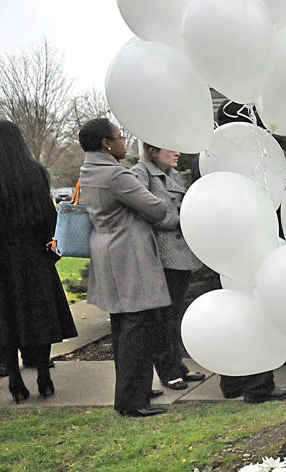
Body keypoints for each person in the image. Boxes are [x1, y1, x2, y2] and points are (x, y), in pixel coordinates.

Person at [198, 101, 286, 404]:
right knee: (255, 311)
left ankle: (232, 380)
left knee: (233, 309)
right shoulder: (251, 155)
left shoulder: (207, 152)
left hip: (221, 246)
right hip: (249, 243)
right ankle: (258, 385)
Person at [78, 118, 172, 417]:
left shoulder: (89, 170)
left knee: (123, 327)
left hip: (108, 251)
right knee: (136, 328)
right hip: (128, 255)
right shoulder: (116, 175)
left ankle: (133, 390)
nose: (122, 142)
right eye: (119, 137)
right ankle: (133, 400)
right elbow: (156, 209)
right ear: (106, 143)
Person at [0, 120, 77, 402]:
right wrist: (51, 248)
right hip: (32, 256)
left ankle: (14, 377)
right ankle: (44, 376)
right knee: (39, 314)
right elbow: (48, 216)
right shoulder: (33, 173)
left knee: (2, 318)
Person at [132, 143, 206, 391]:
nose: (177, 153)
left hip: (178, 255)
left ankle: (177, 365)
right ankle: (167, 369)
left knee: (173, 314)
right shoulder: (141, 173)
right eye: (169, 149)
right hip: (160, 255)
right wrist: (180, 218)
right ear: (153, 151)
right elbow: (145, 209)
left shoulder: (172, 174)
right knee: (162, 317)